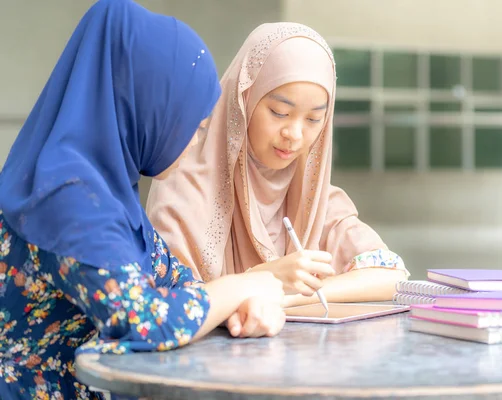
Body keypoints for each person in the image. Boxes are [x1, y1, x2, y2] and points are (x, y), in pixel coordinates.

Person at [0, 1, 285, 399]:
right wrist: (244, 287)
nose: (194, 143)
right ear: (148, 106)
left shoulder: (106, 188)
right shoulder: (66, 196)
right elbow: (145, 318)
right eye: (195, 128)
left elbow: (173, 279)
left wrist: (239, 302)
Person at [146, 22, 410, 310]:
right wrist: (263, 282)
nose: (294, 135)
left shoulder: (314, 197)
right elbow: (168, 306)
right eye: (279, 112)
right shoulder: (185, 186)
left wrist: (287, 297)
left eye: (313, 119)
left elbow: (391, 274)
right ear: (243, 100)